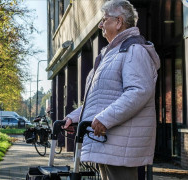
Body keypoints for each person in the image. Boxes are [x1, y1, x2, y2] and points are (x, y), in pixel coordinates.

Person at [62, 1, 160, 180]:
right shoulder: (111, 54)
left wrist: (105, 119)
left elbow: (138, 91)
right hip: (108, 141)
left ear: (118, 22)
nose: (100, 25)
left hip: (120, 143)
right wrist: (74, 117)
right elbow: (100, 99)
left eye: (104, 20)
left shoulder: (133, 50)